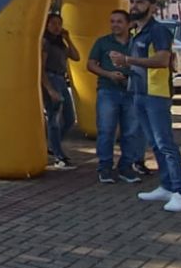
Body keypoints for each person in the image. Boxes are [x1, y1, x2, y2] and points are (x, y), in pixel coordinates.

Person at [109, 0, 181, 212]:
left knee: (165, 143)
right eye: (133, 2)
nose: (134, 6)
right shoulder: (138, 32)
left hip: (156, 93)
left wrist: (127, 59)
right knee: (155, 143)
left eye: (140, 2)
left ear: (152, 6)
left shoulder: (158, 31)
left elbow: (162, 59)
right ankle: (167, 185)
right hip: (139, 91)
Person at [87, 10, 142, 185]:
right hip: (108, 90)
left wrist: (130, 75)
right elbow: (90, 64)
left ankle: (126, 166)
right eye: (112, 21)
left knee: (131, 131)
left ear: (128, 24)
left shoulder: (136, 43)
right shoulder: (103, 42)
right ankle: (105, 167)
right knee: (106, 130)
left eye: (119, 21)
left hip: (131, 90)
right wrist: (108, 74)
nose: (115, 25)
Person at [42, 13, 80, 170]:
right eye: (53, 23)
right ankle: (59, 156)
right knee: (54, 118)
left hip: (61, 79)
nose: (56, 27)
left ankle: (53, 144)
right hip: (51, 78)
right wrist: (49, 89)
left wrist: (68, 38)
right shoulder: (45, 43)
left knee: (69, 118)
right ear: (47, 25)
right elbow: (41, 68)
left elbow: (76, 57)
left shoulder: (60, 43)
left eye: (59, 23)